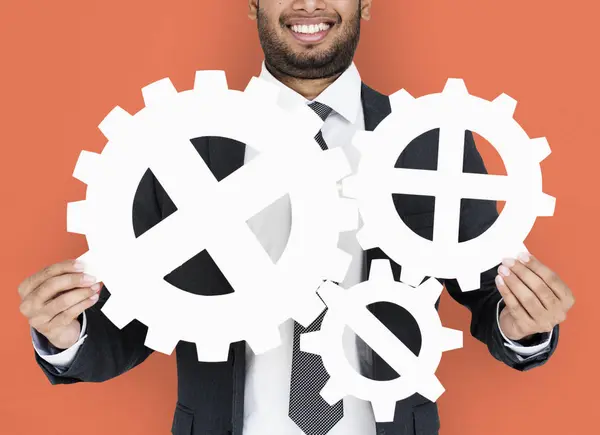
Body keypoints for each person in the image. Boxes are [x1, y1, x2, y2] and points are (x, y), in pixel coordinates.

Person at [17, 1, 575, 434]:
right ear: (253, 3)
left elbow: (485, 293)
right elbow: (139, 317)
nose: (308, 5)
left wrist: (524, 325)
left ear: (366, 3)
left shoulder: (432, 147)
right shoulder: (178, 148)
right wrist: (67, 333)